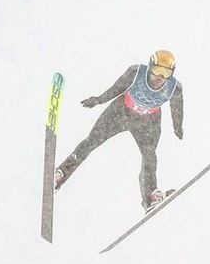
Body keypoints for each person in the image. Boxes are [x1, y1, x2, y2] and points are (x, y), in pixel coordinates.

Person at [54, 50, 184, 211]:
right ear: (150, 67)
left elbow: (177, 108)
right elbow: (117, 88)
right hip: (121, 111)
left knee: (149, 156)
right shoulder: (136, 73)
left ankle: (150, 196)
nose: (160, 77)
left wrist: (178, 126)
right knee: (91, 141)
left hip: (148, 123)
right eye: (157, 71)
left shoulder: (174, 88)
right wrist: (99, 100)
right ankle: (60, 175)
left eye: (166, 73)